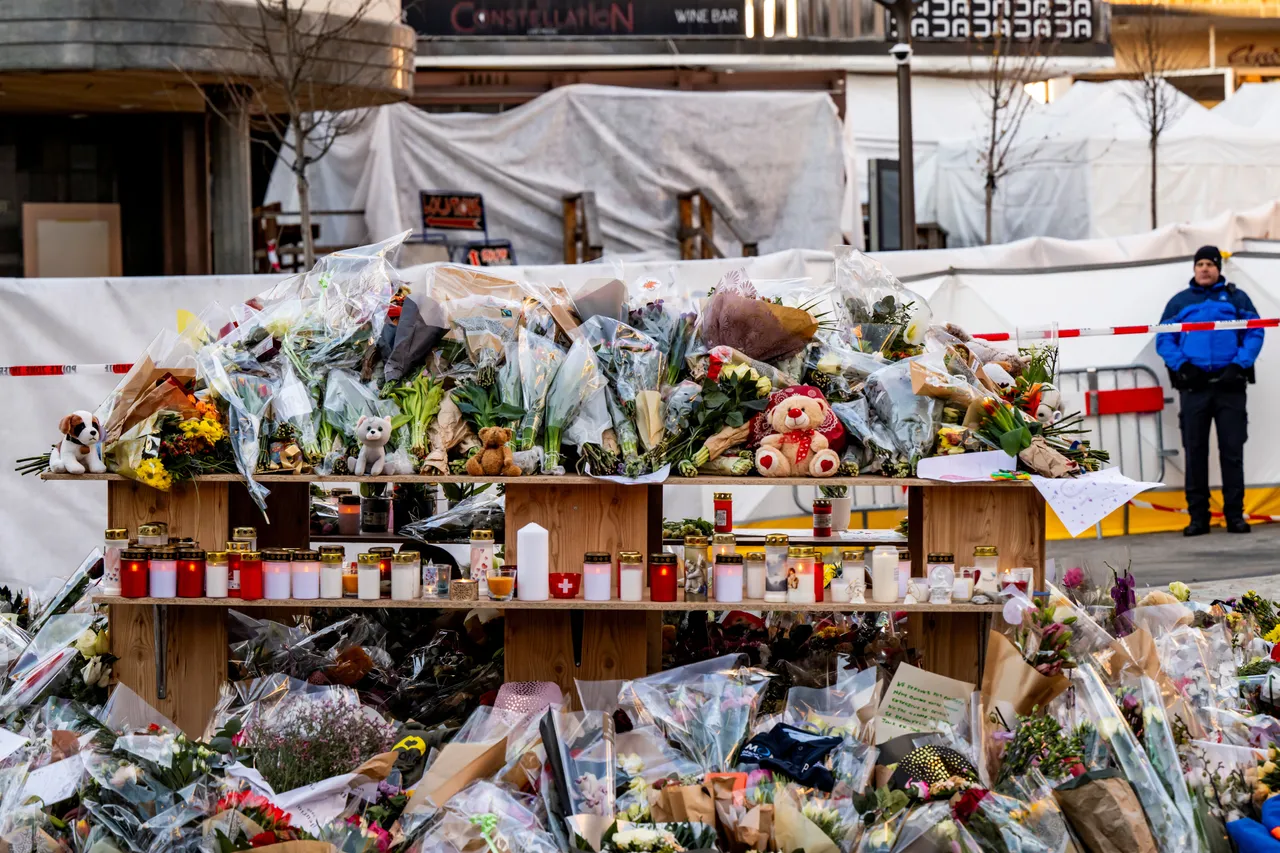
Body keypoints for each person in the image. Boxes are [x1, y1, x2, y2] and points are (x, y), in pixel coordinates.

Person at [1156, 245, 1264, 536]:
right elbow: (1164, 339)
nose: (1204, 268)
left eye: (1210, 264)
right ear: (1194, 268)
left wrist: (1239, 365)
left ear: (1219, 268)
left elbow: (1255, 330)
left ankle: (1235, 516)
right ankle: (1198, 519)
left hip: (1230, 386)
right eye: (1200, 263)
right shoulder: (1179, 302)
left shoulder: (1236, 298)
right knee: (1195, 452)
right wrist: (1183, 366)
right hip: (1194, 388)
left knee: (1232, 451)